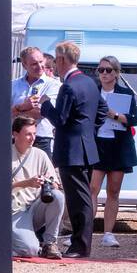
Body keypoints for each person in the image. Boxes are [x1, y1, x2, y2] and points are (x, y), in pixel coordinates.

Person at [23, 40, 106, 258]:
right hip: (86, 147)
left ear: (61, 60)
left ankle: (81, 245)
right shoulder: (90, 82)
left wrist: (45, 104)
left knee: (78, 200)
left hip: (72, 150)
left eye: (56, 61)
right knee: (84, 197)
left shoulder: (70, 86)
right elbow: (101, 112)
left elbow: (60, 119)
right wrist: (87, 131)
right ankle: (81, 243)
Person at [89, 56, 137, 248]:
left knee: (113, 191)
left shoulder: (125, 93)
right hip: (97, 144)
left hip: (118, 146)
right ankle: (87, 230)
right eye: (101, 70)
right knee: (92, 189)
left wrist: (117, 116)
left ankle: (108, 233)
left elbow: (136, 119)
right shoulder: (93, 92)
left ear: (117, 73)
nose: (104, 73)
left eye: (108, 70)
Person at [10, 116, 65, 259]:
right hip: (14, 210)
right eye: (28, 134)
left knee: (57, 196)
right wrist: (26, 183)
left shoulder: (40, 154)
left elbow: (56, 185)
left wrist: (48, 182)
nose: (32, 138)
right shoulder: (4, 154)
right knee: (30, 250)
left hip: (34, 207)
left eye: (34, 134)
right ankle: (5, 241)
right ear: (15, 134)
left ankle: (49, 243)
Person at [10, 45, 61, 156]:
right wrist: (22, 107)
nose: (39, 66)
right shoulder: (13, 85)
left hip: (40, 139)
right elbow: (3, 114)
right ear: (24, 65)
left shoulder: (54, 85)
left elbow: (40, 112)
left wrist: (16, 110)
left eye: (41, 61)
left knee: (42, 173)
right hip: (15, 139)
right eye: (34, 64)